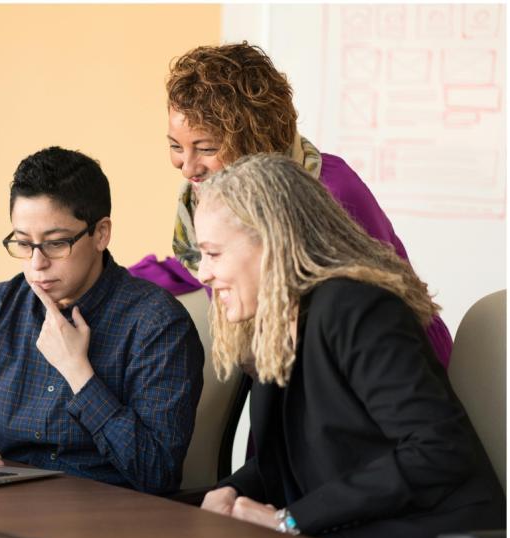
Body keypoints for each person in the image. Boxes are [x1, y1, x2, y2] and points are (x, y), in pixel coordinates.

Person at [193, 153, 505, 538]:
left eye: (213, 254)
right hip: (355, 528)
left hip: (432, 535)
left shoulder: (358, 308)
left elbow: (436, 450)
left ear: (271, 242)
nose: (202, 273)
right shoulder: (274, 321)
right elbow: (287, 459)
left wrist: (290, 521)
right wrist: (231, 492)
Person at [156, 41, 453, 368]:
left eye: (207, 149)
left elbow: (379, 304)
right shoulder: (209, 197)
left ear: (253, 140)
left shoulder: (330, 189)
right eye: (176, 146)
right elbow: (208, 262)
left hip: (393, 368)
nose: (187, 167)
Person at [0, 146, 204, 494]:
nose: (37, 264)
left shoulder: (157, 325)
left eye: (56, 244)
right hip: (7, 507)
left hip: (111, 519)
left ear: (101, 234)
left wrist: (79, 373)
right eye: (24, 244)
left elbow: (157, 472)